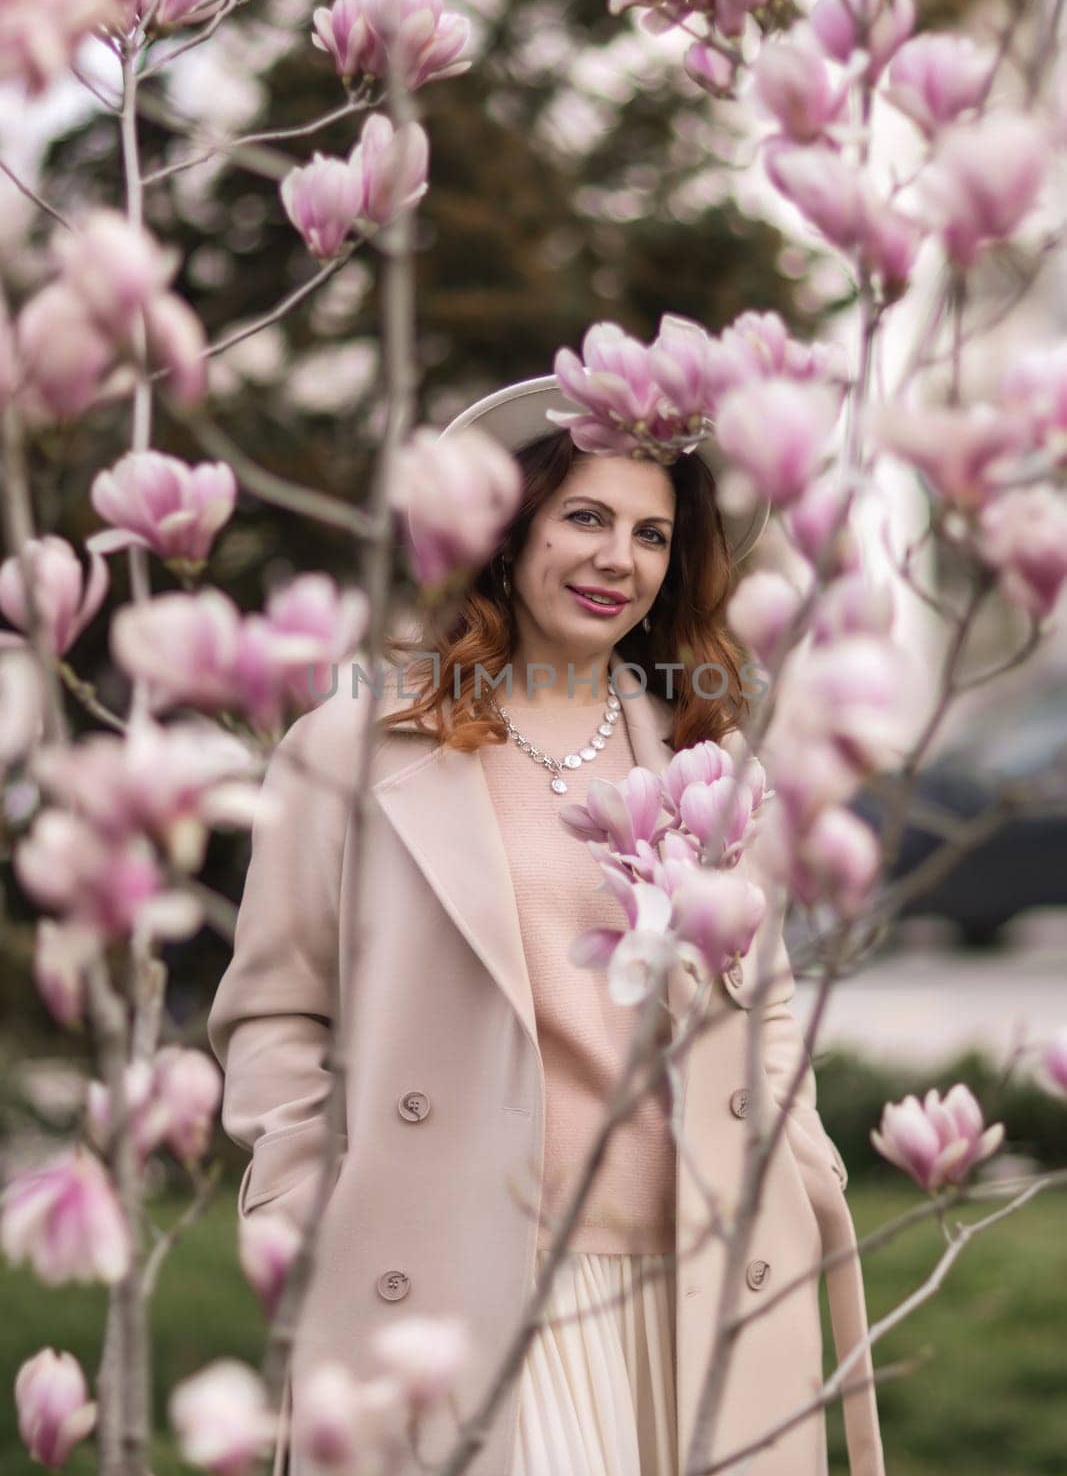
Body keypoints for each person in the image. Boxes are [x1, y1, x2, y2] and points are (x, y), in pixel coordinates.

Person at [208, 377, 886, 1476]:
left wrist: (795, 1162)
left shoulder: (701, 760)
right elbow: (277, 1012)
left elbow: (758, 999)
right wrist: (314, 1204)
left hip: (691, 1283)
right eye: (584, 516)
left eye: (651, 533)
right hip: (452, 1282)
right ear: (504, 529)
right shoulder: (353, 747)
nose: (617, 556)